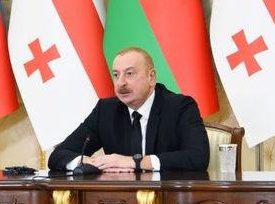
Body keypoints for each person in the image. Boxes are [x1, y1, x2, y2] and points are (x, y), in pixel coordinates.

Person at [48, 47, 209, 172]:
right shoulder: (106, 110)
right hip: (118, 200)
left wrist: (134, 162)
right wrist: (90, 162)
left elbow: (198, 157)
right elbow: (59, 155)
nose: (121, 82)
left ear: (151, 77)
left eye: (129, 73)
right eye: (116, 75)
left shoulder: (180, 107)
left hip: (167, 198)